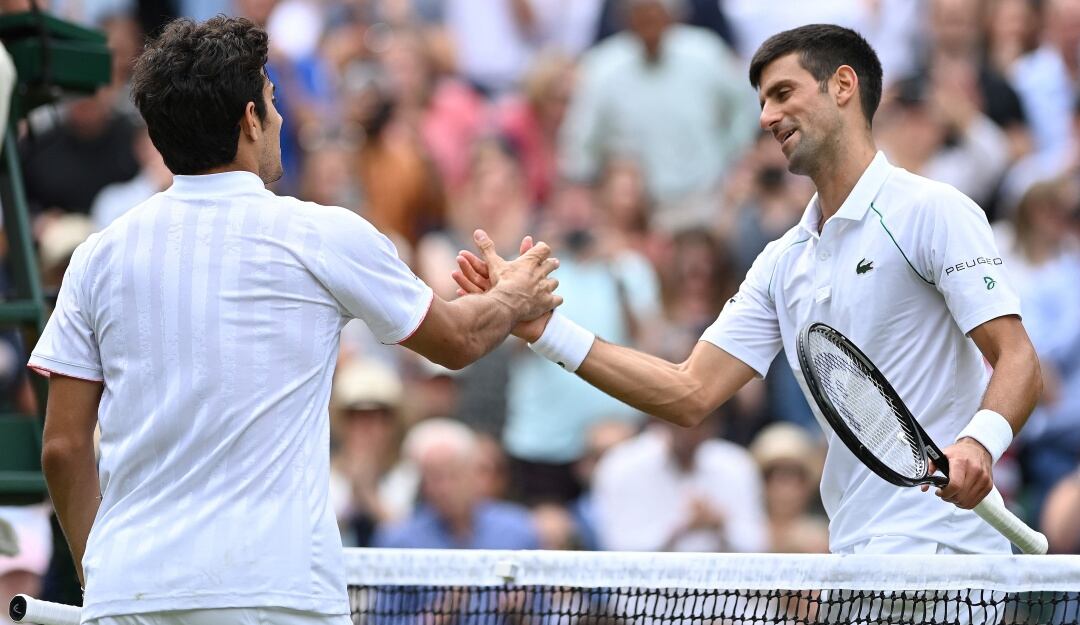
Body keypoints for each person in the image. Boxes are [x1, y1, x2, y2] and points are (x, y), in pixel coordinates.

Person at [28, 16, 561, 625]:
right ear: (250, 120)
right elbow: (459, 339)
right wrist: (514, 297)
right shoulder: (322, 234)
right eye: (273, 101)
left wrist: (102, 577)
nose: (281, 120)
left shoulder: (97, 255)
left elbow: (64, 448)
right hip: (276, 595)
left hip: (130, 594)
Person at [455, 24, 1042, 557]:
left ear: (843, 85)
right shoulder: (781, 264)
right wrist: (543, 330)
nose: (765, 116)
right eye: (761, 101)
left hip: (944, 553)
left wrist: (979, 443)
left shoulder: (933, 210)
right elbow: (688, 392)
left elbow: (1017, 357)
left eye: (782, 93)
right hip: (857, 554)